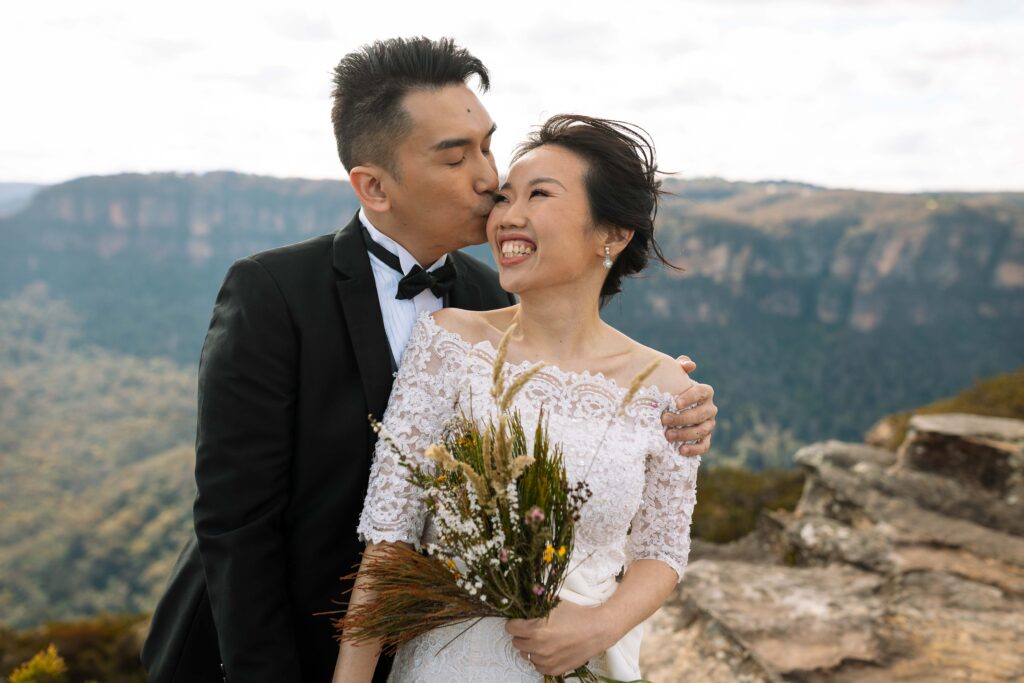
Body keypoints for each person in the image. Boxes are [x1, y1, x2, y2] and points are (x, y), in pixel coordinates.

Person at [142, 37, 717, 683]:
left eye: (487, 146)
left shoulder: (493, 294)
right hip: (267, 639)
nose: (490, 179)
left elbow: (579, 377)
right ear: (375, 187)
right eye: (456, 157)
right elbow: (235, 521)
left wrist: (671, 402)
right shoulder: (272, 293)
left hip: (445, 643)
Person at [334, 114, 702, 682]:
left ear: (613, 233)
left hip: (584, 665)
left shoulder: (668, 390)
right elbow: (389, 542)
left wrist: (598, 629)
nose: (508, 216)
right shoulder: (449, 344)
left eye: (540, 195)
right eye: (506, 197)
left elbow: (663, 549)